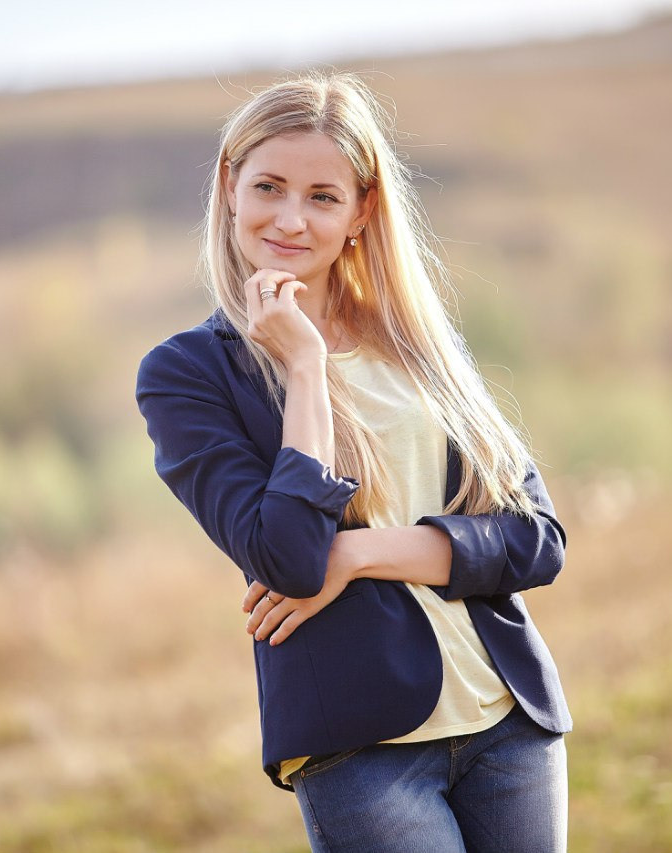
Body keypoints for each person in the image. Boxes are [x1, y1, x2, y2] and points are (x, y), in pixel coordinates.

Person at [135, 71, 571, 853]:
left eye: (323, 197)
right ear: (230, 186)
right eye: (268, 186)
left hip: (510, 720)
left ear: (362, 210)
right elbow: (293, 561)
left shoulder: (420, 344)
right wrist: (304, 370)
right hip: (363, 752)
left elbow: (536, 539)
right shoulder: (187, 374)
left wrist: (363, 552)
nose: (291, 219)